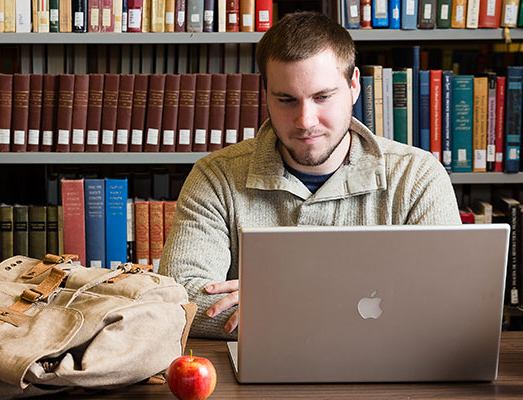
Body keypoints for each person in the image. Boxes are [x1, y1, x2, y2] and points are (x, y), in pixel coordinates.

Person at [158, 12, 461, 339]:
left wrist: (282, 305)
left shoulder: (417, 176)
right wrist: (349, 310)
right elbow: (181, 298)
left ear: (354, 85)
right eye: (286, 100)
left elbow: (450, 299)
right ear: (266, 95)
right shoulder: (215, 177)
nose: (305, 120)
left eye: (322, 97)